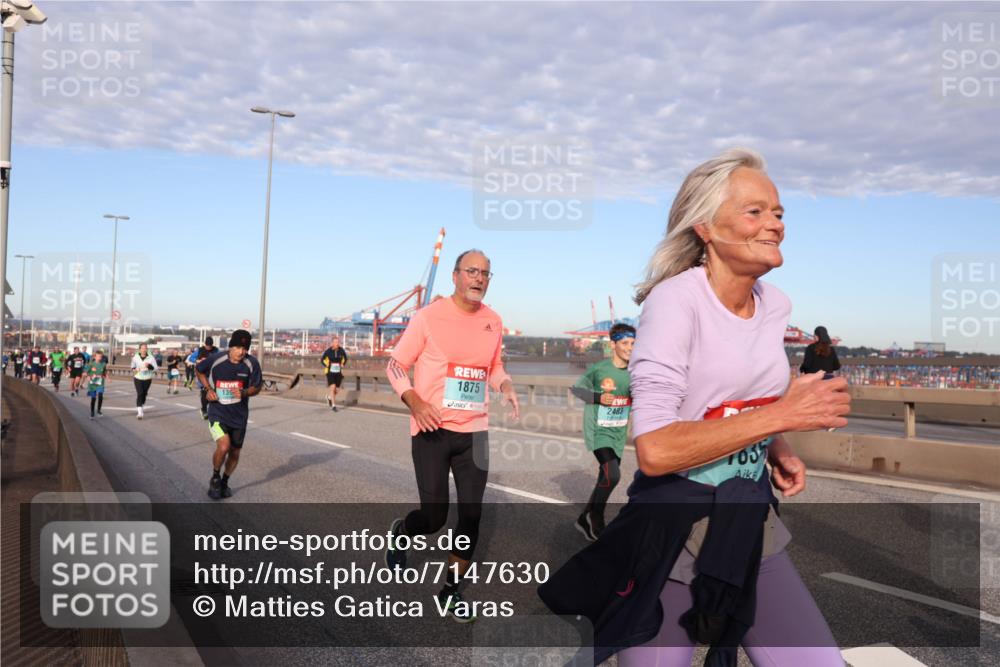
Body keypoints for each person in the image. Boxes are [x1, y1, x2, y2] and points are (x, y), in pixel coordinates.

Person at [539, 149, 850, 666]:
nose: (775, 224)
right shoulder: (675, 302)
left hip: (748, 519)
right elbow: (656, 450)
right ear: (705, 227)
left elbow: (739, 395)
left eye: (778, 212)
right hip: (673, 532)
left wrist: (776, 445)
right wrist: (784, 415)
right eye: (755, 211)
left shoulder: (775, 304)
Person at [384, 249, 520, 623]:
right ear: (455, 275)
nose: (479, 278)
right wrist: (414, 401)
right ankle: (402, 531)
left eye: (486, 273)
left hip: (474, 432)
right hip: (432, 429)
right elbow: (396, 365)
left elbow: (493, 366)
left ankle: (450, 590)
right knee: (433, 518)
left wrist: (505, 384)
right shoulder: (428, 317)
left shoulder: (493, 320)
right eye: (472, 271)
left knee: (471, 515)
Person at [570, 322, 636, 542]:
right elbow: (577, 389)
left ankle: (584, 519)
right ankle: (596, 517)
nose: (630, 348)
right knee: (612, 475)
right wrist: (598, 397)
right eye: (625, 343)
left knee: (603, 477)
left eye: (633, 343)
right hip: (598, 431)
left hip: (618, 433)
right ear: (613, 344)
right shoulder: (600, 369)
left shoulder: (635, 372)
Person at [197, 329, 263, 500]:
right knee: (224, 446)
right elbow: (199, 370)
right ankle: (215, 477)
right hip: (217, 412)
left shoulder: (251, 363)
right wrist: (208, 389)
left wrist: (245, 392)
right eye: (238, 348)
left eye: (245, 349)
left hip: (239, 416)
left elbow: (257, 387)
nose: (241, 352)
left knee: (234, 452)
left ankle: (225, 482)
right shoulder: (217, 359)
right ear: (231, 347)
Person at [320, 335, 349, 412]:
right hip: (330, 372)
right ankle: (333, 406)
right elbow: (322, 359)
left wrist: (343, 364)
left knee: (337, 390)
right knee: (333, 387)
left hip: (338, 371)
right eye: (335, 342)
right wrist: (326, 365)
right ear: (332, 343)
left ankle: (329, 397)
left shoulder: (341, 350)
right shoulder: (328, 351)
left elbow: (345, 358)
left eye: (338, 342)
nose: (337, 343)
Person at [130, 343, 158, 419]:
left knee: (144, 394)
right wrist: (135, 369)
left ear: (147, 349)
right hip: (138, 378)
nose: (144, 350)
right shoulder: (135, 357)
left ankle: (141, 404)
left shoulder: (151, 358)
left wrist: (149, 366)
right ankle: (140, 413)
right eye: (142, 348)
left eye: (145, 348)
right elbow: (132, 366)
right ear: (139, 349)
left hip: (147, 378)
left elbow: (156, 368)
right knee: (140, 393)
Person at [196, 337, 219, 418]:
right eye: (207, 345)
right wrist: (200, 360)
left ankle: (210, 409)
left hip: (212, 374)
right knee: (204, 391)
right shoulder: (200, 350)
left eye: (210, 346)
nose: (208, 347)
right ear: (205, 344)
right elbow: (191, 359)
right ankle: (204, 409)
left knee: (213, 392)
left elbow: (219, 358)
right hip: (202, 373)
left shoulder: (216, 350)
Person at [85, 350, 109, 419]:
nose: (99, 358)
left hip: (100, 383)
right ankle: (92, 412)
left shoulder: (103, 364)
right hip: (92, 384)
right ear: (95, 357)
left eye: (101, 357)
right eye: (98, 356)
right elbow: (85, 373)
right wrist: (88, 377)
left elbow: (104, 372)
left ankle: (98, 410)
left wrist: (108, 378)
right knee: (93, 398)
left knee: (100, 395)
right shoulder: (91, 364)